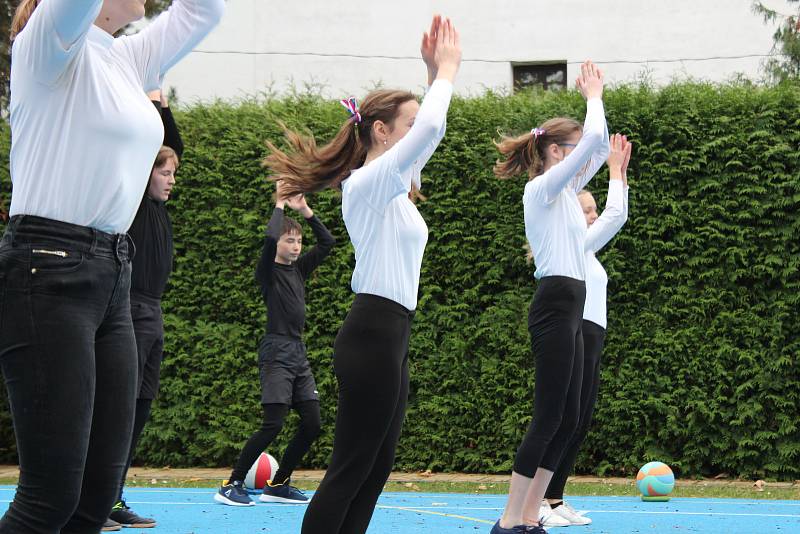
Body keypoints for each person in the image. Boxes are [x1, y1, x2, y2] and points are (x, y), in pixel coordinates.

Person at [0, 1, 224, 532]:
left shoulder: (124, 58)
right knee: (49, 497)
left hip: (113, 275)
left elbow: (205, 9)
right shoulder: (48, 44)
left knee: (96, 498)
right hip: (47, 271)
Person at [263, 15, 461, 534]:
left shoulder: (391, 184)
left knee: (374, 469)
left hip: (392, 334)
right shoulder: (369, 182)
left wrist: (428, 75)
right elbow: (433, 129)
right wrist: (447, 72)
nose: (418, 134)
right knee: (351, 467)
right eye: (407, 126)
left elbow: (425, 140)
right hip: (372, 332)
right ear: (380, 131)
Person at [491, 61, 609, 533]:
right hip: (555, 301)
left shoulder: (564, 192)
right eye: (572, 149)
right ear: (557, 152)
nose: (580, 158)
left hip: (571, 302)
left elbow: (597, 147)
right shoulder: (541, 188)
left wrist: (612, 163)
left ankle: (528, 515)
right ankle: (508, 518)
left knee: (566, 415)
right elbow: (594, 141)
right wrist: (593, 96)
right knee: (548, 417)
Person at [215, 180, 335, 506]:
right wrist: (279, 205)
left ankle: (278, 483)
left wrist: (305, 211)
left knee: (313, 424)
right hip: (276, 352)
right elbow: (268, 240)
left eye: (298, 241)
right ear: (279, 243)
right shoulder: (267, 272)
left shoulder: (299, 271)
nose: (296, 246)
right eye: (289, 240)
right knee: (273, 424)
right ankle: (232, 483)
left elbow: (327, 243)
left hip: (297, 352)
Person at [542, 133, 630, 527]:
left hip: (593, 335)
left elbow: (612, 217)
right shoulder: (574, 246)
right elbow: (617, 216)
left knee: (578, 420)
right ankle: (541, 500)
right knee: (563, 418)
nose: (592, 216)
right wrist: (615, 173)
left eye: (593, 209)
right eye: (587, 209)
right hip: (576, 331)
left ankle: (556, 499)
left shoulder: (588, 251)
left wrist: (619, 174)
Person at [107, 89, 185, 530]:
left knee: (138, 410)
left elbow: (175, 149)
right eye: (165, 172)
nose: (171, 178)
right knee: (118, 408)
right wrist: (156, 107)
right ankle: (93, 500)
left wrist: (167, 108)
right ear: (146, 172)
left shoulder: (159, 208)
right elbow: (149, 149)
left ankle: (111, 497)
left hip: (152, 314)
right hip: (129, 309)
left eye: (173, 172)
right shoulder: (136, 197)